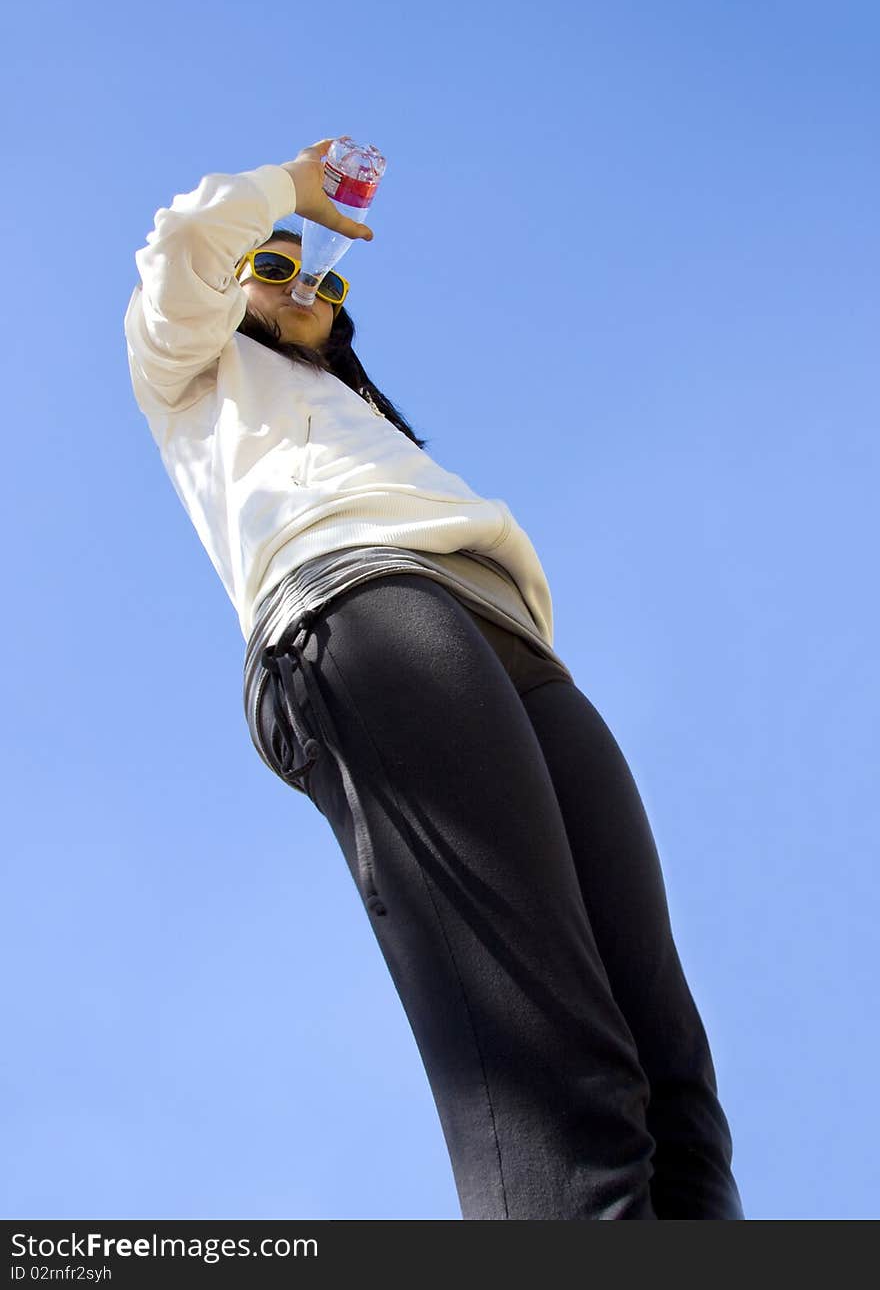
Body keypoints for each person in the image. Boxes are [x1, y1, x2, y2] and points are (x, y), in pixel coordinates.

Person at [124, 136, 745, 1221]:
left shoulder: (360, 413)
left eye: (316, 270)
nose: (299, 279)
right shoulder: (192, 376)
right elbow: (186, 242)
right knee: (560, 1080)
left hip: (514, 644)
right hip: (360, 607)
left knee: (675, 1094)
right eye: (269, 266)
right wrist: (287, 193)